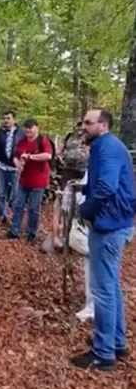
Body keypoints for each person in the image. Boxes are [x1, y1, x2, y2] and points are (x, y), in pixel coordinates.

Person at [70, 109, 136, 371]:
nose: (83, 126)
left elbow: (107, 187)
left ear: (103, 125)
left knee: (103, 289)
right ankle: (116, 343)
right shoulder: (104, 146)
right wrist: (82, 189)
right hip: (116, 222)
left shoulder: (107, 148)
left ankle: (103, 353)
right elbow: (103, 181)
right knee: (111, 286)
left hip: (109, 226)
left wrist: (85, 210)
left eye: (88, 122)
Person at [6, 118, 52, 244]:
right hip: (23, 180)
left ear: (37, 128)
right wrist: (17, 164)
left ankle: (32, 234)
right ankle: (14, 231)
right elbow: (16, 155)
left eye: (30, 128)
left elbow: (48, 155)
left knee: (33, 208)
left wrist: (30, 157)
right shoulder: (22, 141)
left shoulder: (42, 141)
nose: (28, 131)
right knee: (18, 205)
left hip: (38, 181)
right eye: (26, 128)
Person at [0, 109, 23, 224]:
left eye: (8, 118)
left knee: (15, 193)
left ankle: (15, 218)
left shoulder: (21, 132)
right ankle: (2, 216)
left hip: (15, 167)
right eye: (4, 118)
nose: (6, 121)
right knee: (1, 193)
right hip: (1, 166)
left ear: (14, 120)